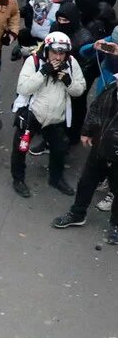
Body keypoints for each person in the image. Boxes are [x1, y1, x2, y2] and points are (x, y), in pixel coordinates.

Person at [11, 32, 84, 198]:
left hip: (56, 117)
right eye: (54, 52)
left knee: (59, 149)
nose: (58, 57)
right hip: (32, 114)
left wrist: (68, 82)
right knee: (20, 148)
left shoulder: (71, 64)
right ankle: (18, 179)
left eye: (62, 53)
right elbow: (23, 88)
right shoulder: (34, 61)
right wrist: (43, 72)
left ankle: (56, 179)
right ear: (47, 50)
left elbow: (80, 89)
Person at [51, 78, 118, 243]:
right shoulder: (112, 88)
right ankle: (77, 213)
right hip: (100, 148)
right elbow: (96, 108)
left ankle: (116, 226)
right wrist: (87, 130)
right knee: (86, 182)